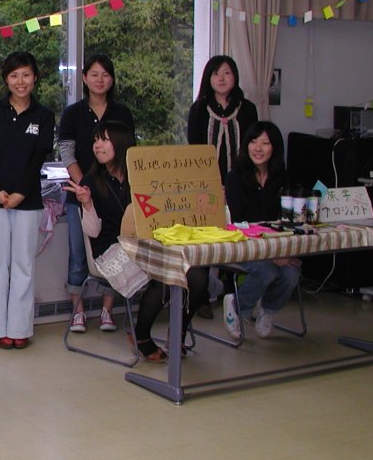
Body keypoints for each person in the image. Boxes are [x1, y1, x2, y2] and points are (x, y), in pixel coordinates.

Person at [68, 120, 207, 362]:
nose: (97, 145)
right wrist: (87, 203)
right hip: (111, 250)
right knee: (165, 276)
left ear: (120, 143)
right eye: (96, 140)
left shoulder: (141, 177)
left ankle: (178, 333)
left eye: (104, 140)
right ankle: (141, 336)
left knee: (198, 276)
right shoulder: (90, 182)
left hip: (145, 245)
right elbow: (93, 232)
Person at [0, 51, 56, 350]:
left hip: (28, 198)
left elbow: (38, 158)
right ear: (6, 79)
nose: (20, 81)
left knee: (23, 264)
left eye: (26, 75)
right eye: (14, 75)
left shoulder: (44, 115)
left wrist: (21, 192)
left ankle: (20, 328)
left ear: (35, 77)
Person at [57, 53, 134, 334]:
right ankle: (77, 311)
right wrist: (85, 185)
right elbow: (66, 152)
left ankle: (107, 310)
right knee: (79, 253)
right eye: (94, 74)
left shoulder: (121, 112)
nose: (100, 80)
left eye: (105, 74)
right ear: (84, 78)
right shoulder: (73, 113)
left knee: (116, 246)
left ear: (111, 79)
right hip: (81, 193)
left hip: (116, 193)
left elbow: (129, 151)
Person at [222, 121, 302, 340]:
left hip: (277, 245)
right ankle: (238, 307)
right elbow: (240, 222)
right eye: (253, 142)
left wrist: (283, 251)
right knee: (266, 270)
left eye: (265, 143)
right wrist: (272, 254)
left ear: (274, 147)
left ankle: (267, 311)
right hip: (244, 244)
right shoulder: (235, 177)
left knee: (292, 273)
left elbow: (287, 220)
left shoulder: (283, 177)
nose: (258, 148)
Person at [187, 55, 258, 184]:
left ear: (235, 76)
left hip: (242, 181)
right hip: (206, 182)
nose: (221, 79)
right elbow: (194, 148)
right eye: (215, 74)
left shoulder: (248, 108)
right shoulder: (198, 109)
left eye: (226, 73)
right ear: (208, 78)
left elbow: (252, 146)